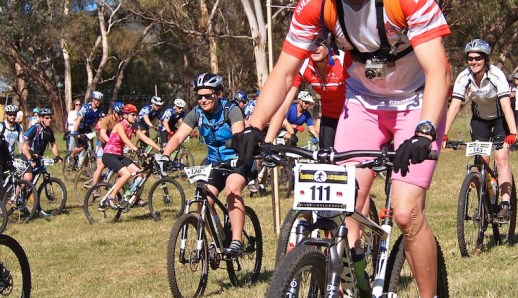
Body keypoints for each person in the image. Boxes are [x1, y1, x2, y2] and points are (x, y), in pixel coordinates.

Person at [232, 0, 451, 298]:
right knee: (341, 210)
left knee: (405, 211)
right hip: (363, 103)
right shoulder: (318, 0)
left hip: (415, 102)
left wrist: (426, 131)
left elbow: (439, 71)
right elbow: (284, 71)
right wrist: (253, 125)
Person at [162, 73, 251, 255]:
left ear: (218, 94)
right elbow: (178, 137)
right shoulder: (197, 113)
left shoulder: (231, 109)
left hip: (237, 159)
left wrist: (236, 145)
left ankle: (237, 241)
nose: (203, 100)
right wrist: (165, 155)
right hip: (215, 162)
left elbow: (238, 135)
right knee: (203, 201)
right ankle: (219, 239)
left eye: (208, 96)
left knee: (232, 188)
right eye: (199, 96)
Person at [443, 39, 517, 221]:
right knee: (480, 162)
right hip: (480, 122)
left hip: (500, 121)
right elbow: (454, 106)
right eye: (470, 58)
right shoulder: (463, 78)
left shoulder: (496, 75)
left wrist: (513, 132)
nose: (473, 62)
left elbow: (506, 105)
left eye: (477, 58)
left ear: (486, 59)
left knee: (501, 158)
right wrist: (443, 133)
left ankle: (505, 205)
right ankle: (484, 203)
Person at [268, 44, 351, 149]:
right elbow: (284, 105)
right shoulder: (303, 66)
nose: (315, 48)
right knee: (325, 156)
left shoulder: (343, 60)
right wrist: (269, 140)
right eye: (312, 43)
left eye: (320, 44)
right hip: (328, 117)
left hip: (350, 116)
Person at [101, 104, 161, 210]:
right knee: (126, 174)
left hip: (119, 155)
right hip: (109, 155)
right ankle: (111, 197)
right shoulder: (119, 126)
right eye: (132, 115)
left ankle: (130, 197)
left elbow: (145, 138)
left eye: (135, 114)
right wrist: (137, 150)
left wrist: (160, 149)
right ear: (125, 115)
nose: (135, 117)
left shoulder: (133, 126)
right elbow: (125, 140)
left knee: (140, 174)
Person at [21, 108, 62, 216]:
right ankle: (16, 195)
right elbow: (25, 142)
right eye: (47, 118)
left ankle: (23, 203)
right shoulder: (35, 128)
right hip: (28, 155)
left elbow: (53, 144)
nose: (49, 120)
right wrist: (30, 156)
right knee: (28, 178)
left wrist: (57, 156)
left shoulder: (49, 131)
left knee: (33, 182)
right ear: (41, 118)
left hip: (38, 158)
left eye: (50, 117)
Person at [69, 91, 105, 167]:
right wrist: (75, 131)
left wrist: (99, 130)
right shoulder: (86, 107)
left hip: (88, 130)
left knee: (89, 149)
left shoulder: (99, 109)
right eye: (97, 100)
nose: (99, 102)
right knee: (82, 147)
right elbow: (78, 119)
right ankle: (72, 155)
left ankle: (86, 169)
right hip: (80, 129)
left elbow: (100, 121)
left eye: (100, 101)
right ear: (93, 99)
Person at [92, 102, 123, 187]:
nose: (120, 116)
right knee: (100, 167)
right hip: (102, 144)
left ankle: (107, 180)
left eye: (121, 114)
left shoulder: (121, 121)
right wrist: (111, 142)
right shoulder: (106, 120)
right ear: (114, 111)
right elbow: (103, 134)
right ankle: (93, 188)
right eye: (118, 114)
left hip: (113, 145)